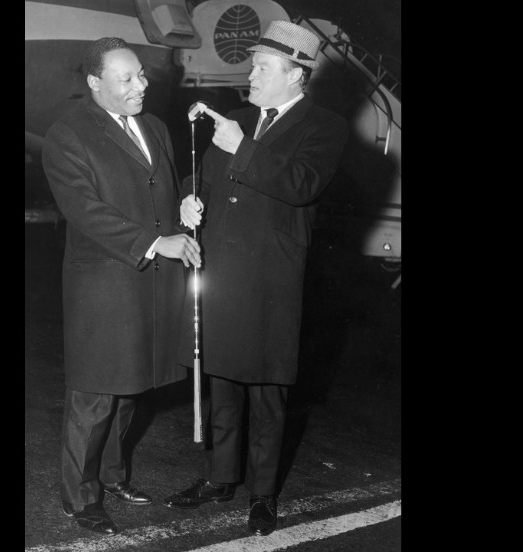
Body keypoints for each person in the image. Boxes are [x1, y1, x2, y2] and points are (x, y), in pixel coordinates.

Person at [163, 21, 349, 537]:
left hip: (271, 279)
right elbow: (201, 176)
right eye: (252, 66)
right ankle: (220, 477)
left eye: (264, 68)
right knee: (221, 379)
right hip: (222, 269)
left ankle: (263, 494)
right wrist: (188, 197)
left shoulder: (324, 127)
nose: (252, 75)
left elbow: (301, 184)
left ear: (296, 75)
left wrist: (241, 146)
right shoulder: (239, 119)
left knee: (267, 389)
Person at [42, 37, 202, 536]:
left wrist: (186, 204)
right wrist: (159, 242)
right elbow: (88, 213)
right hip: (106, 285)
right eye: (127, 79)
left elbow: (166, 188)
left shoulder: (153, 127)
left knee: (131, 388)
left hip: (151, 283)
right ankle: (79, 496)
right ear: (95, 84)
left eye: (141, 75)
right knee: (95, 396)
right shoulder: (67, 135)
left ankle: (111, 478)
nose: (142, 85)